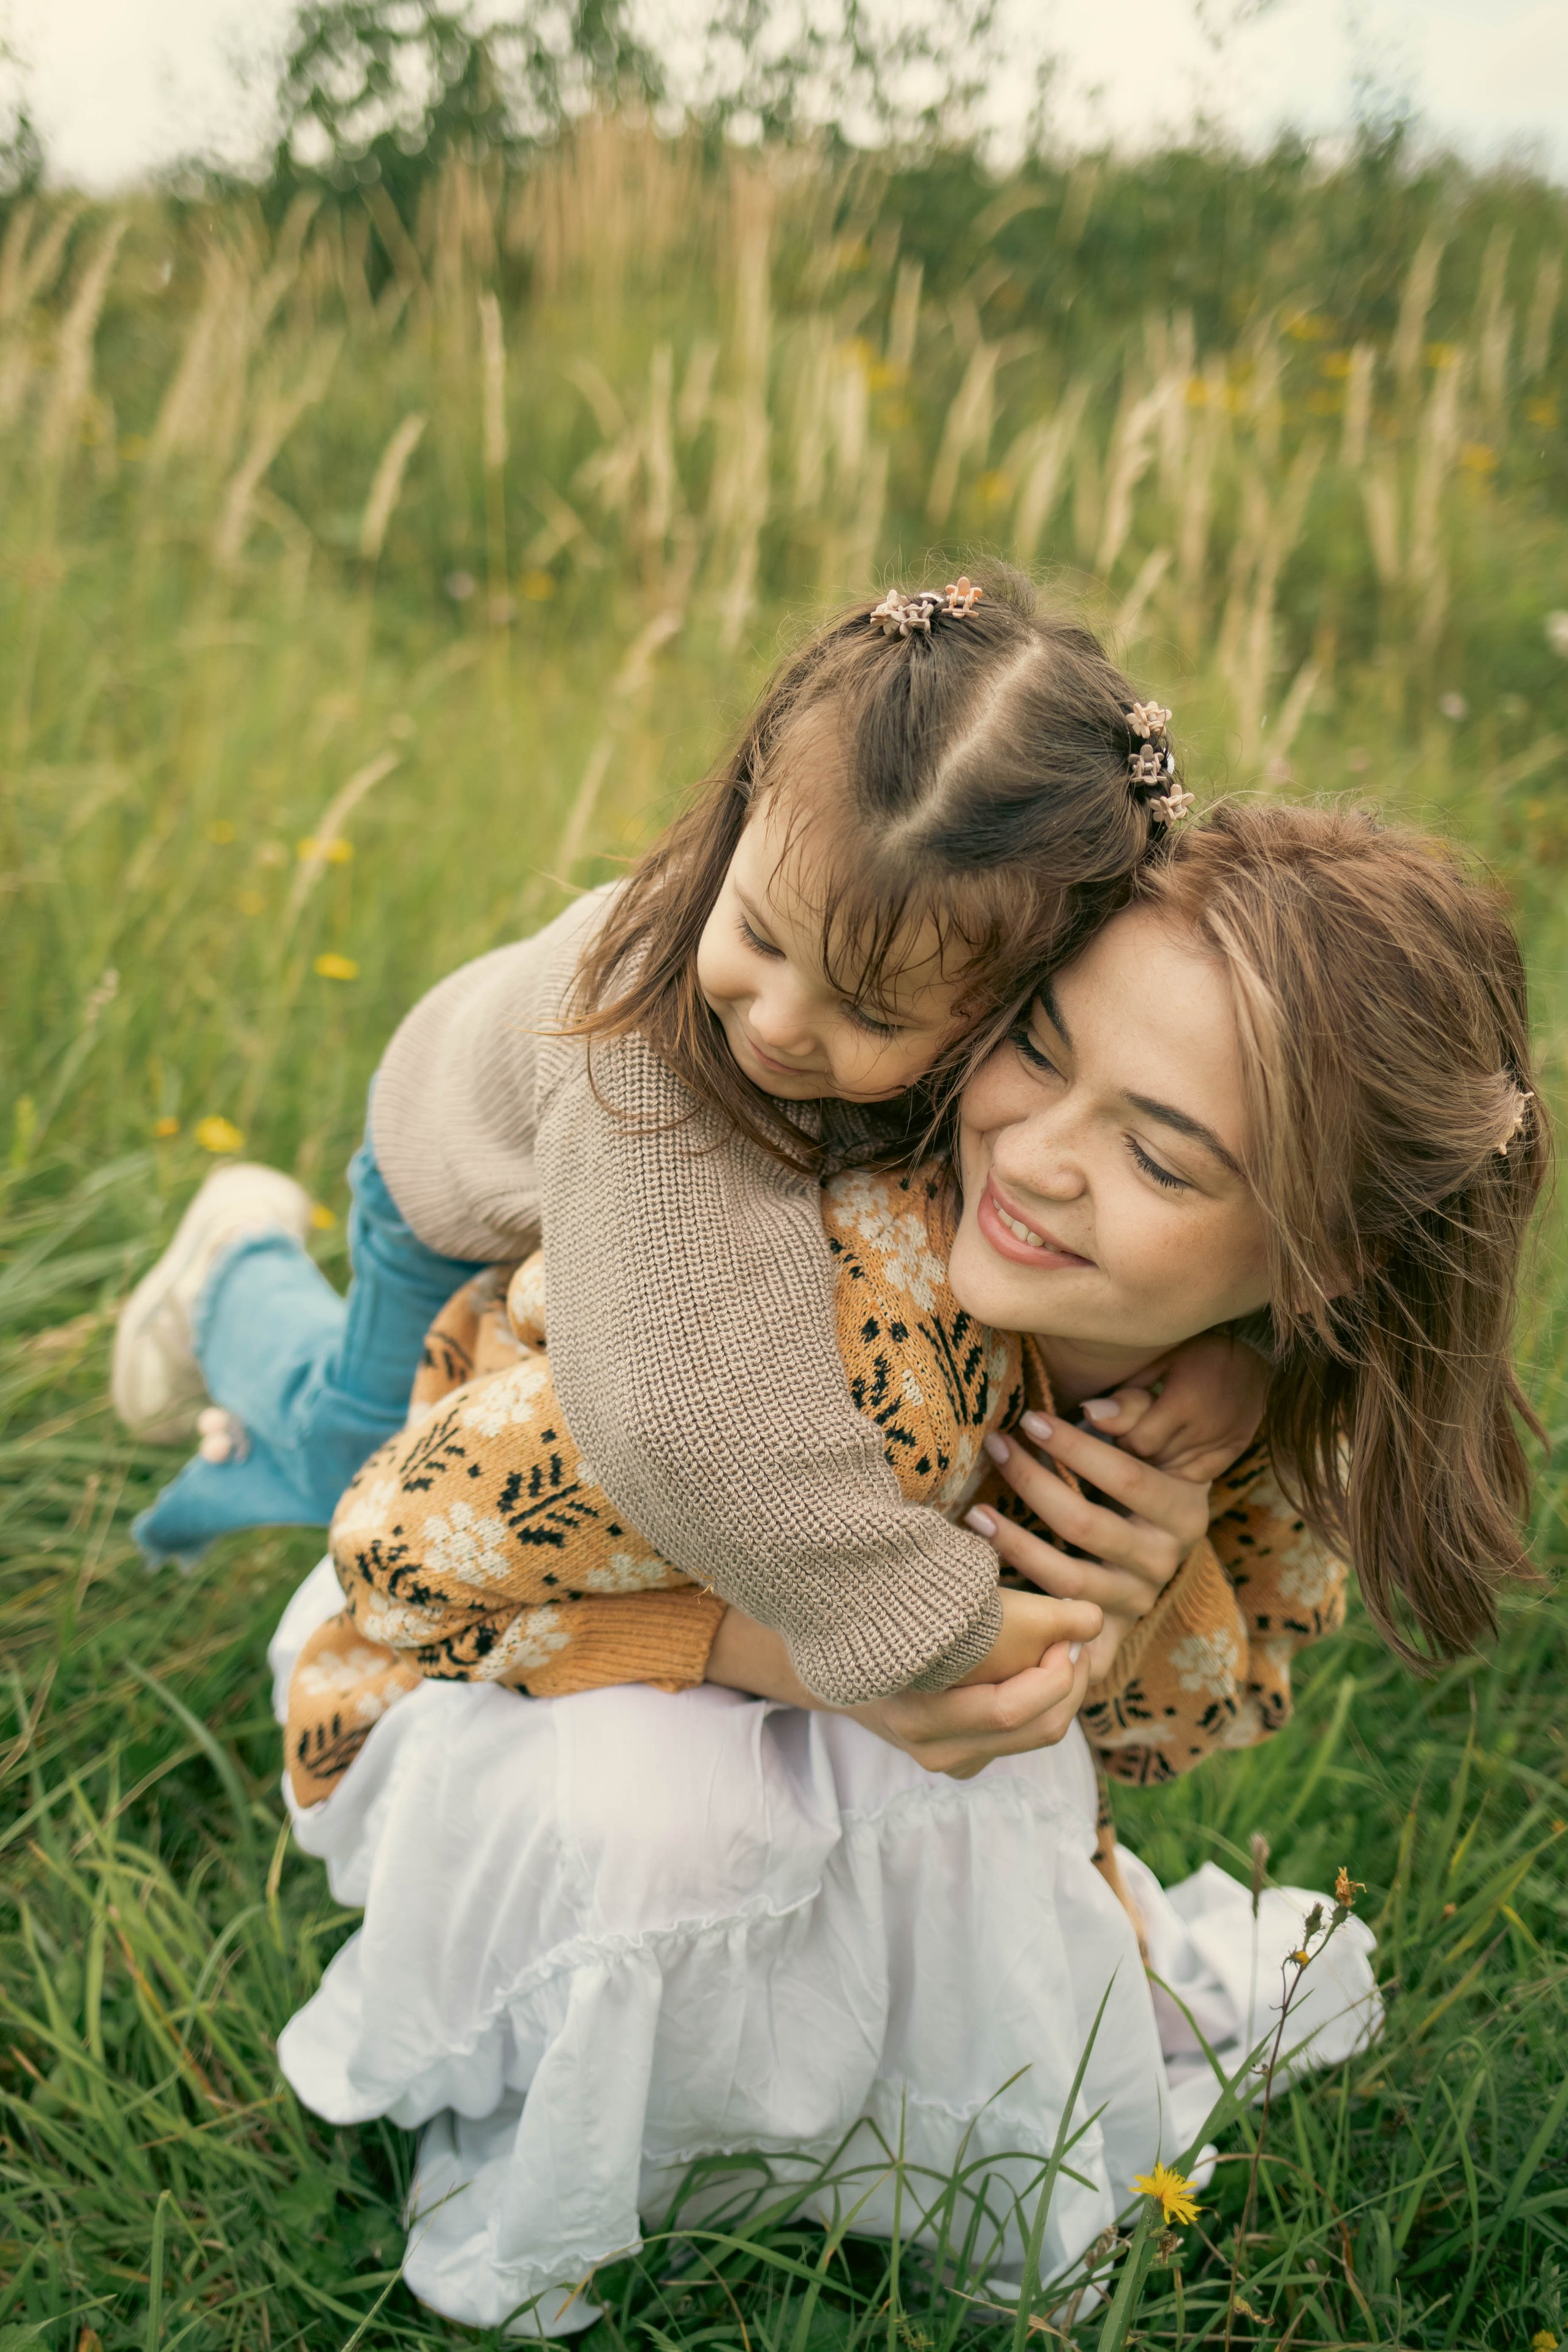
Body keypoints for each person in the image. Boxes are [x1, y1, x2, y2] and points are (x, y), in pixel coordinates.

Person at [266, 802, 1543, 2333]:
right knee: (671, 1808)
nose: (1038, 1157)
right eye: (1039, 1050)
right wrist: (806, 1660)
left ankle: (816, 2134)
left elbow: (1164, 1734)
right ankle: (238, 1279)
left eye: (1155, 1154)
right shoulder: (827, 1331)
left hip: (807, 1695)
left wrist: (1124, 1607)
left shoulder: (1211, 1410)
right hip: (470, 1678)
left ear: (1319, 1260)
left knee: (996, 1789)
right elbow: (398, 1554)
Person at [115, 569, 1264, 1704]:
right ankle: (230, 1280)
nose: (775, 1021)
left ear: (1019, 989)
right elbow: (679, 1408)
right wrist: (915, 1616)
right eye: (759, 937)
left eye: (869, 1013)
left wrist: (1234, 1356)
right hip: (457, 1179)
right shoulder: (653, 1055)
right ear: (746, 807)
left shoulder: (953, 975)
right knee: (342, 1457)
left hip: (600, 1187)